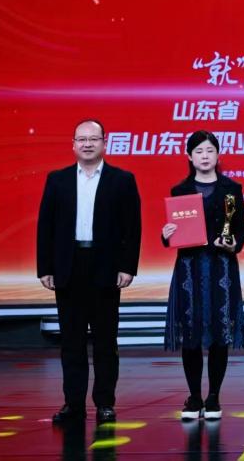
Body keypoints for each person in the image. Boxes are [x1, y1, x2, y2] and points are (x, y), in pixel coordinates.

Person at [36, 119, 142, 424]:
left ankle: (105, 403)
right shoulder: (58, 180)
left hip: (105, 266)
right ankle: (73, 404)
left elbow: (132, 228)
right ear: (73, 144)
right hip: (69, 266)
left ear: (104, 143)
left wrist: (127, 266)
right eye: (81, 139)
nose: (87, 144)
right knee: (72, 342)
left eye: (93, 139)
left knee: (105, 340)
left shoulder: (122, 180)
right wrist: (45, 267)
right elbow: (46, 226)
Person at [162, 130, 244, 420]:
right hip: (190, 269)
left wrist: (234, 243)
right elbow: (174, 232)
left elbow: (242, 228)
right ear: (189, 156)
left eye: (210, 150)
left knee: (219, 334)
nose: (205, 156)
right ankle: (194, 397)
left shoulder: (231, 189)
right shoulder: (180, 190)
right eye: (199, 151)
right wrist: (166, 235)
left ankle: (213, 397)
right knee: (191, 334)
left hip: (222, 268)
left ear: (218, 155)